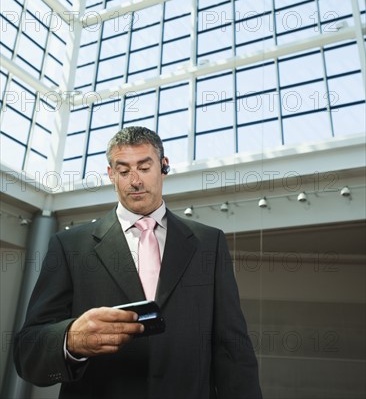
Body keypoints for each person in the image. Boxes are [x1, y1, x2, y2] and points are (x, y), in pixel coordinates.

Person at [14, 127, 262, 399]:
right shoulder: (69, 246)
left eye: (144, 167)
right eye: (123, 171)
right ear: (111, 174)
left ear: (164, 166)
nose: (135, 181)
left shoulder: (209, 243)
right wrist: (70, 339)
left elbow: (233, 348)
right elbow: (28, 351)